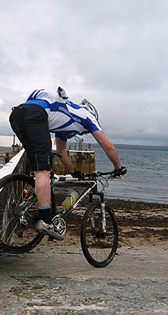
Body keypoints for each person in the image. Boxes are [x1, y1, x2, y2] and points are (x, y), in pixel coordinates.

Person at [9, 87, 126, 240]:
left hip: (17, 115)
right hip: (35, 116)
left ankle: (30, 206)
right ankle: (45, 221)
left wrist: (73, 171)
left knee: (39, 164)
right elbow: (108, 146)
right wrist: (118, 167)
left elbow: (61, 151)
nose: (84, 133)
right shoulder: (88, 117)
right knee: (43, 171)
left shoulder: (63, 121)